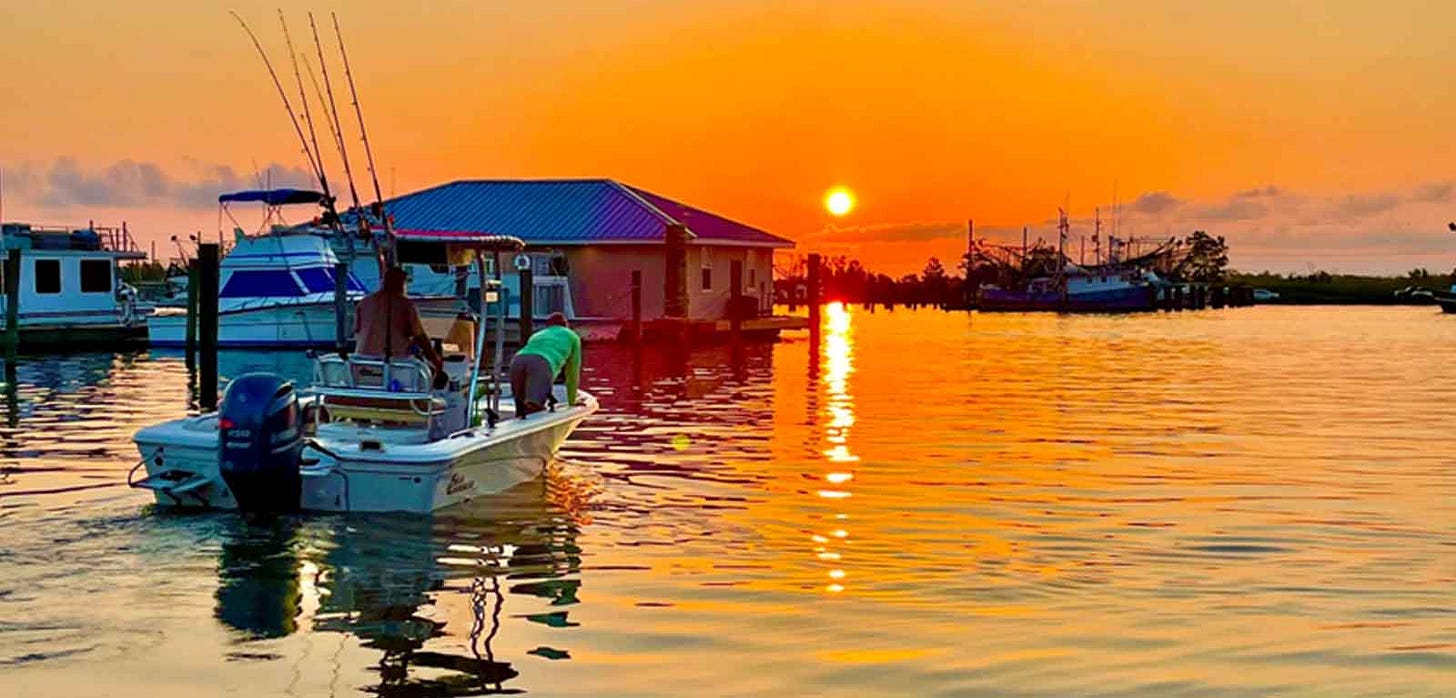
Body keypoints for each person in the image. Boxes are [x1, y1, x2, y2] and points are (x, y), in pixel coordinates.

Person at [354, 266, 443, 373]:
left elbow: (357, 330)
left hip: (362, 361)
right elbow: (419, 336)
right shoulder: (406, 305)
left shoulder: (364, 303)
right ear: (402, 284)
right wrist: (435, 360)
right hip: (393, 364)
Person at [509, 312, 582, 417]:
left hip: (517, 360)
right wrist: (572, 401)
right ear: (566, 325)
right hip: (542, 363)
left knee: (520, 407)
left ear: (548, 325)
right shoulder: (573, 336)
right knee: (534, 406)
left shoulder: (537, 335)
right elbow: (572, 372)